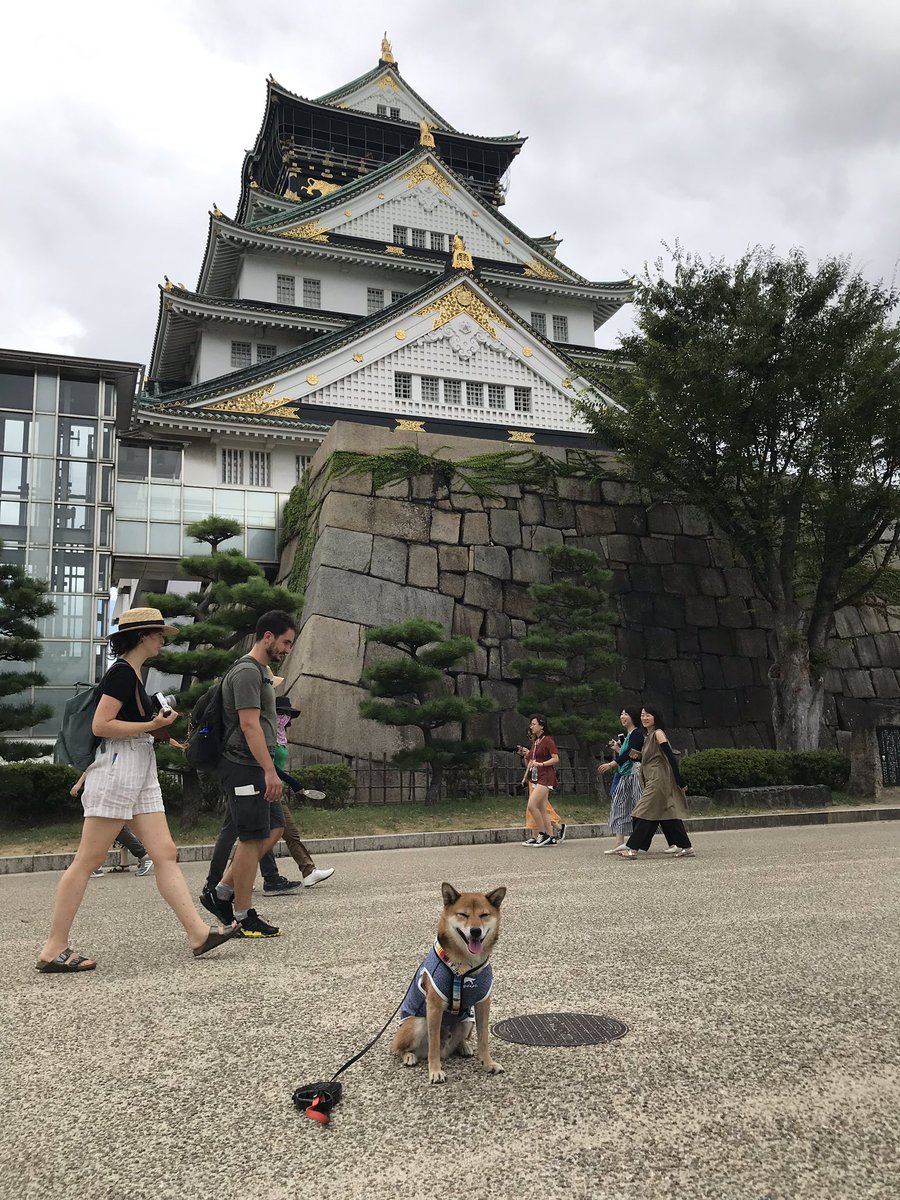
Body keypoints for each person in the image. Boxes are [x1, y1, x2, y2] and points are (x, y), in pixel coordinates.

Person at [36, 607, 238, 973]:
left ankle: (198, 933)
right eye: (159, 633)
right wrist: (149, 724)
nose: (163, 639)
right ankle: (53, 948)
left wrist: (155, 725)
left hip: (136, 765)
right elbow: (102, 725)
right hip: (119, 767)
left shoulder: (133, 674)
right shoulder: (121, 675)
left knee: (165, 852)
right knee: (88, 859)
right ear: (143, 635)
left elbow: (125, 724)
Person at [198, 610, 297, 937]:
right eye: (285, 642)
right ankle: (242, 913)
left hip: (257, 764)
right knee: (252, 836)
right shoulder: (246, 672)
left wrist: (270, 768)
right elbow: (249, 724)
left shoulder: (261, 671)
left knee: (275, 828)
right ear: (267, 636)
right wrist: (270, 771)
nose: (287, 649)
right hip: (243, 765)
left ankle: (222, 892)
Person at [257, 695, 335, 892]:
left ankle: (308, 871)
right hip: (266, 790)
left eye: (287, 714)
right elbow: (270, 766)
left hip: (274, 790)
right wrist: (294, 783)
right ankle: (235, 878)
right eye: (281, 713)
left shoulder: (279, 736)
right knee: (269, 836)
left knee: (277, 834)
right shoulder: (268, 735)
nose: (286, 717)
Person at [611, 705, 694, 859]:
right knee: (668, 814)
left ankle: (633, 848)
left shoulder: (658, 734)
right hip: (652, 777)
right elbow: (650, 757)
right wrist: (639, 757)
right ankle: (687, 847)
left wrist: (679, 780)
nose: (644, 718)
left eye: (648, 715)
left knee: (643, 811)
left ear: (656, 718)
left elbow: (670, 757)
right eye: (643, 715)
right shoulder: (648, 736)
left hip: (658, 779)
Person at [71, 771, 155, 877]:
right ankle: (96, 865)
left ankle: (142, 855)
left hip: (107, 790)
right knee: (112, 828)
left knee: (109, 827)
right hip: (108, 789)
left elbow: (92, 765)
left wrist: (79, 784)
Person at [598, 707, 645, 853]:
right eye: (621, 714)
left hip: (634, 776)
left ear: (633, 717)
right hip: (626, 775)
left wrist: (612, 763)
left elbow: (632, 755)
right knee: (619, 805)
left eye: (626, 714)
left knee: (641, 808)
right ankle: (620, 842)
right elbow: (626, 754)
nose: (622, 716)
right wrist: (617, 749)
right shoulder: (629, 734)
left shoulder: (637, 734)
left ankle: (670, 838)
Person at [520, 715, 560, 848]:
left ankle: (543, 833)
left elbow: (555, 759)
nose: (531, 726)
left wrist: (541, 764)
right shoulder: (536, 742)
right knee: (542, 808)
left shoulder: (548, 740)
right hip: (537, 777)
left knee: (532, 805)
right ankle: (551, 836)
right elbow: (531, 759)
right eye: (531, 724)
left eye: (534, 724)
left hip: (546, 777)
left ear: (541, 726)